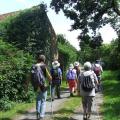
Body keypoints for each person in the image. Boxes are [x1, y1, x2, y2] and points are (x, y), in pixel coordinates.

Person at [30, 54, 52, 120]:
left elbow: (29, 76)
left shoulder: (33, 66)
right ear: (44, 60)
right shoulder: (44, 66)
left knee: (38, 100)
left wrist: (27, 84)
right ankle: (41, 116)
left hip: (36, 86)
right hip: (43, 86)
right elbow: (49, 77)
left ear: (38, 59)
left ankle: (38, 112)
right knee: (43, 101)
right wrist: (50, 80)